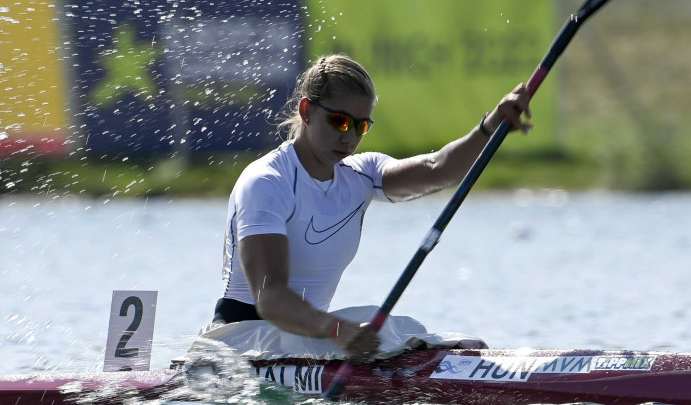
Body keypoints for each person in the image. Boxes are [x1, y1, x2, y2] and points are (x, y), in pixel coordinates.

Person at [214, 53, 532, 363]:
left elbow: (439, 170)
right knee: (378, 322)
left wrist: (491, 126)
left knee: (386, 325)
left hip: (308, 341)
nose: (350, 137)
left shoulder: (361, 175)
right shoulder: (267, 181)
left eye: (361, 126)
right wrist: (335, 328)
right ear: (307, 110)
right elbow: (270, 299)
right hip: (240, 342)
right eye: (339, 121)